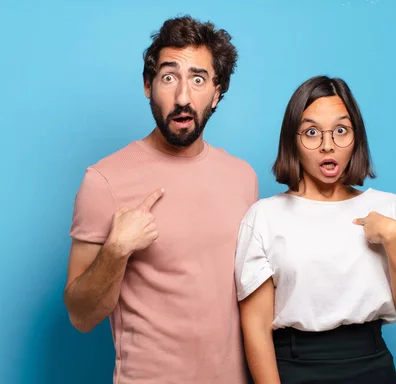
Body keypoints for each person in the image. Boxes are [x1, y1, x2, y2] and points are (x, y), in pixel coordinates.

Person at [63, 15, 258, 384]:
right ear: (148, 85)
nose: (183, 97)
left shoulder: (243, 178)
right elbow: (81, 316)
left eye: (198, 79)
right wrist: (116, 250)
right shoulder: (104, 180)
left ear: (217, 92)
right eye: (169, 77)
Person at [235, 76, 396, 383]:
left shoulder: (390, 209)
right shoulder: (264, 216)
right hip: (294, 366)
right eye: (312, 132)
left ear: (356, 137)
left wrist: (393, 237)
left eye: (341, 130)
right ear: (293, 140)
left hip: (372, 365)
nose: (328, 145)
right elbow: (256, 330)